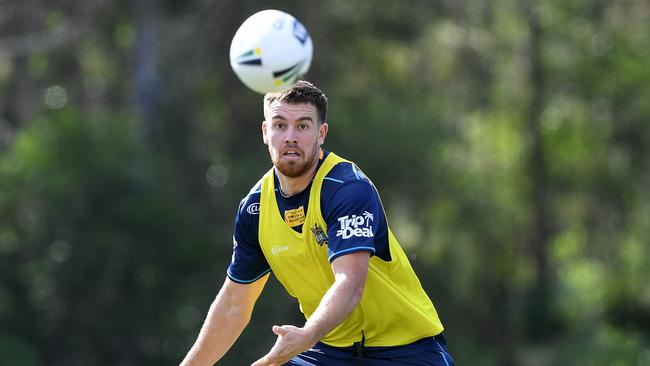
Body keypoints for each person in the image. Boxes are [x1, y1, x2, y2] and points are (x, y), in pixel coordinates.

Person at [180, 81, 453, 366]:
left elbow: (350, 284)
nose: (290, 137)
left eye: (303, 126)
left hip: (407, 351)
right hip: (332, 351)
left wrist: (306, 335)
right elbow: (235, 305)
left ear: (321, 133)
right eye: (280, 125)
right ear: (265, 132)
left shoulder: (346, 187)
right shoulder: (255, 209)